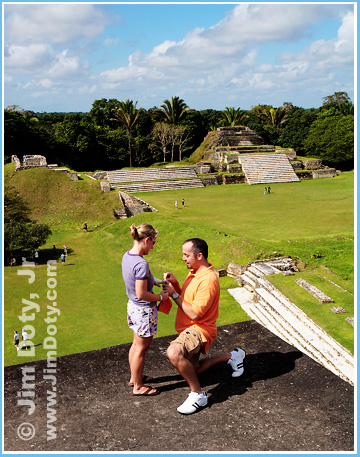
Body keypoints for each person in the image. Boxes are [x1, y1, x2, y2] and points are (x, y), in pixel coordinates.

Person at [163, 238, 246, 415]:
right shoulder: (194, 273)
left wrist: (173, 294)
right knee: (192, 370)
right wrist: (176, 286)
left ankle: (198, 394)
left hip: (199, 329)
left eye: (186, 255)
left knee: (174, 352)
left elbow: (195, 314)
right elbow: (188, 298)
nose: (183, 258)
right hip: (188, 328)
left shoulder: (208, 280)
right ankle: (233, 356)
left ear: (199, 255)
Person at [122, 223, 169, 396]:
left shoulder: (128, 256)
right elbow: (142, 293)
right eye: (153, 243)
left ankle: (135, 377)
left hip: (133, 307)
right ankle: (138, 386)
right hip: (144, 311)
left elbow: (137, 281)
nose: (153, 247)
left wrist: (156, 281)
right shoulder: (141, 263)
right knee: (141, 349)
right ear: (147, 240)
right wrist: (161, 297)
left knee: (136, 345)